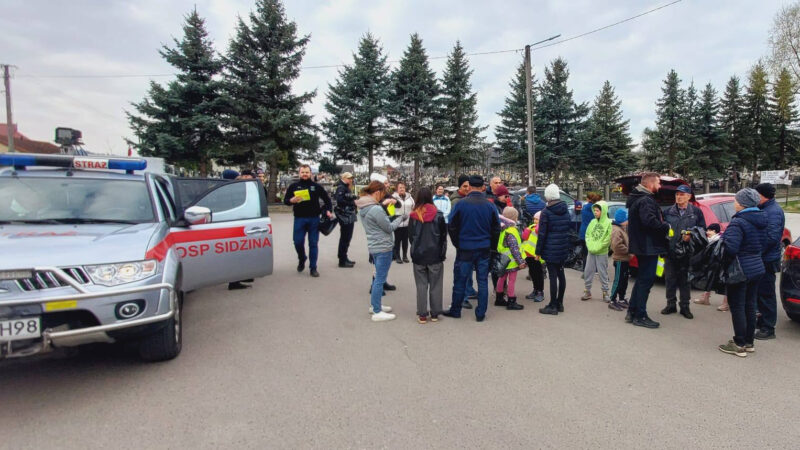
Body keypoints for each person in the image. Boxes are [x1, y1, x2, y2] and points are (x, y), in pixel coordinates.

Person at [444, 175, 501, 322]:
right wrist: (492, 246)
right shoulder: (489, 205)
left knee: (460, 279)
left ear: (469, 187)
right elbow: (496, 228)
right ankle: (480, 313)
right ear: (483, 187)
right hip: (483, 248)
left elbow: (452, 225)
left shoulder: (461, 204)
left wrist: (457, 242)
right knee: (482, 280)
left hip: (465, 248)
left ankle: (456, 310)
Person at [718, 188, 766, 357]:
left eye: (736, 200)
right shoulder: (762, 219)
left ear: (743, 203)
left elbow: (730, 248)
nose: (734, 203)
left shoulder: (738, 222)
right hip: (757, 267)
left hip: (740, 269)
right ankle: (749, 341)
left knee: (738, 306)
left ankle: (739, 344)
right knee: (750, 305)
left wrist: (721, 240)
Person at [355, 181, 407, 322]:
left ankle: (375, 305)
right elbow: (389, 228)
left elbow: (380, 224)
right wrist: (400, 218)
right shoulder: (376, 209)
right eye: (383, 194)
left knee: (378, 277)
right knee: (380, 279)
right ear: (377, 192)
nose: (383, 197)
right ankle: (377, 311)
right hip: (383, 247)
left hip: (374, 245)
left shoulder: (364, 207)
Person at [626, 172, 670, 328]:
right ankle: (640, 315)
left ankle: (632, 311)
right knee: (646, 281)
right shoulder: (646, 200)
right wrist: (666, 226)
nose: (659, 186)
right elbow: (649, 221)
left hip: (642, 245)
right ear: (650, 184)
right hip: (648, 246)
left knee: (641, 280)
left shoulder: (638, 198)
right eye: (658, 183)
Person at [661, 184, 706, 319]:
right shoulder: (668, 211)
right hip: (671, 251)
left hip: (688, 253)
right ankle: (671, 304)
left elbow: (702, 229)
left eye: (682, 194)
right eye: (677, 194)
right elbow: (662, 230)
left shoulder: (696, 212)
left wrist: (691, 235)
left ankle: (685, 306)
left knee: (685, 281)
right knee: (670, 279)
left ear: (689, 196)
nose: (679, 197)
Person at [284, 165, 333, 278]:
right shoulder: (294, 186)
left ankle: (313, 268)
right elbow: (286, 201)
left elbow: (327, 200)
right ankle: (302, 258)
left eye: (307, 172)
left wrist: (328, 210)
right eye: (302, 172)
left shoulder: (316, 186)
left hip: (314, 219)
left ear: (311, 173)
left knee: (313, 244)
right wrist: (291, 200)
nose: (305, 174)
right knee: (297, 242)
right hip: (299, 218)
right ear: (299, 173)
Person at [408, 187, 447, 324]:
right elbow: (443, 237)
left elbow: (411, 237)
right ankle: (435, 313)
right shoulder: (439, 215)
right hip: (435, 254)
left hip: (419, 255)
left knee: (421, 285)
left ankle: (422, 314)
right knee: (436, 285)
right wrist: (442, 254)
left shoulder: (414, 216)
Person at [536, 184, 572, 315]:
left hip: (550, 249)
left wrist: (538, 252)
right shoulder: (565, 209)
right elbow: (568, 226)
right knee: (561, 275)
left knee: (552, 277)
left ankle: (552, 305)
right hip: (562, 247)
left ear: (547, 196)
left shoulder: (546, 211)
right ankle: (560, 303)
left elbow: (542, 234)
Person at [755, 183, 785, 340]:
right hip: (763, 258)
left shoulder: (773, 212)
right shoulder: (765, 208)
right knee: (760, 293)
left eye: (756, 194)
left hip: (767, 259)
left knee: (766, 294)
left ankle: (768, 328)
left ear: (762, 195)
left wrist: (755, 251)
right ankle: (761, 322)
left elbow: (771, 238)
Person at [450, 174, 477, 308]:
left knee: (469, 266)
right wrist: (457, 241)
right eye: (464, 186)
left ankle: (469, 290)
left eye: (469, 186)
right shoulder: (457, 201)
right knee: (463, 268)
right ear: (460, 187)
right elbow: (454, 223)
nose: (467, 188)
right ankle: (463, 297)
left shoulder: (467, 198)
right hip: (462, 239)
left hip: (468, 238)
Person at [495, 207, 526, 310]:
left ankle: (499, 298)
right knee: (511, 280)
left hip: (503, 260)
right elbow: (514, 249)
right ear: (514, 218)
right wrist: (520, 262)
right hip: (512, 262)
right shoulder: (512, 231)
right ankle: (511, 301)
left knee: (501, 278)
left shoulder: (503, 229)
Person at [581, 201, 612, 302]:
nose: (595, 212)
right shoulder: (592, 222)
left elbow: (608, 239)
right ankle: (587, 291)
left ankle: (605, 292)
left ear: (603, 211)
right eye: (594, 210)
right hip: (591, 251)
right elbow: (588, 235)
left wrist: (598, 247)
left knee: (603, 272)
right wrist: (590, 246)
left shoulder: (608, 223)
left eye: (597, 210)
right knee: (588, 271)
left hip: (602, 252)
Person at [693, 223, 728, 309]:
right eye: (707, 230)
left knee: (725, 284)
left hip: (719, 264)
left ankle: (726, 303)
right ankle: (705, 298)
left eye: (710, 230)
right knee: (709, 279)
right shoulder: (710, 240)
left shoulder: (719, 240)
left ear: (715, 231)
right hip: (713, 264)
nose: (707, 232)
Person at [334, 172, 357, 268]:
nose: (351, 180)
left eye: (351, 178)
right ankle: (342, 260)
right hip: (345, 215)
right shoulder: (341, 187)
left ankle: (344, 257)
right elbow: (339, 200)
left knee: (347, 238)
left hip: (348, 215)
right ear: (344, 178)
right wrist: (351, 200)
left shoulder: (346, 187)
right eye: (349, 178)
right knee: (345, 237)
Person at [609, 208, 631, 311]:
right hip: (619, 260)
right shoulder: (616, 230)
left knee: (624, 280)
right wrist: (628, 251)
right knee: (618, 280)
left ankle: (621, 298)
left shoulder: (622, 228)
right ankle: (612, 300)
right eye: (627, 219)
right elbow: (616, 246)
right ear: (622, 220)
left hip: (625, 259)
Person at [522, 211, 545, 302]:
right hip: (528, 254)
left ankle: (540, 291)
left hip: (537, 255)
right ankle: (535, 290)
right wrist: (526, 231)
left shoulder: (542, 228)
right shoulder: (531, 227)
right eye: (535, 219)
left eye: (537, 219)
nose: (535, 221)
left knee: (539, 274)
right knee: (533, 273)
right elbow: (524, 237)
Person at [392, 182, 415, 264]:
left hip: (408, 223)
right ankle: (398, 256)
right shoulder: (393, 198)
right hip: (397, 223)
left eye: (403, 187)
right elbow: (390, 210)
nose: (402, 189)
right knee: (397, 241)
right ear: (397, 189)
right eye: (400, 187)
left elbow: (413, 207)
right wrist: (393, 218)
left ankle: (405, 256)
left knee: (405, 240)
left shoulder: (410, 197)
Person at [579, 192, 603, 265]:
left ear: (588, 199)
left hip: (583, 232)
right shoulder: (597, 209)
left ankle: (585, 269)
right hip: (593, 233)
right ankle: (593, 268)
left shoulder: (584, 208)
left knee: (585, 252)